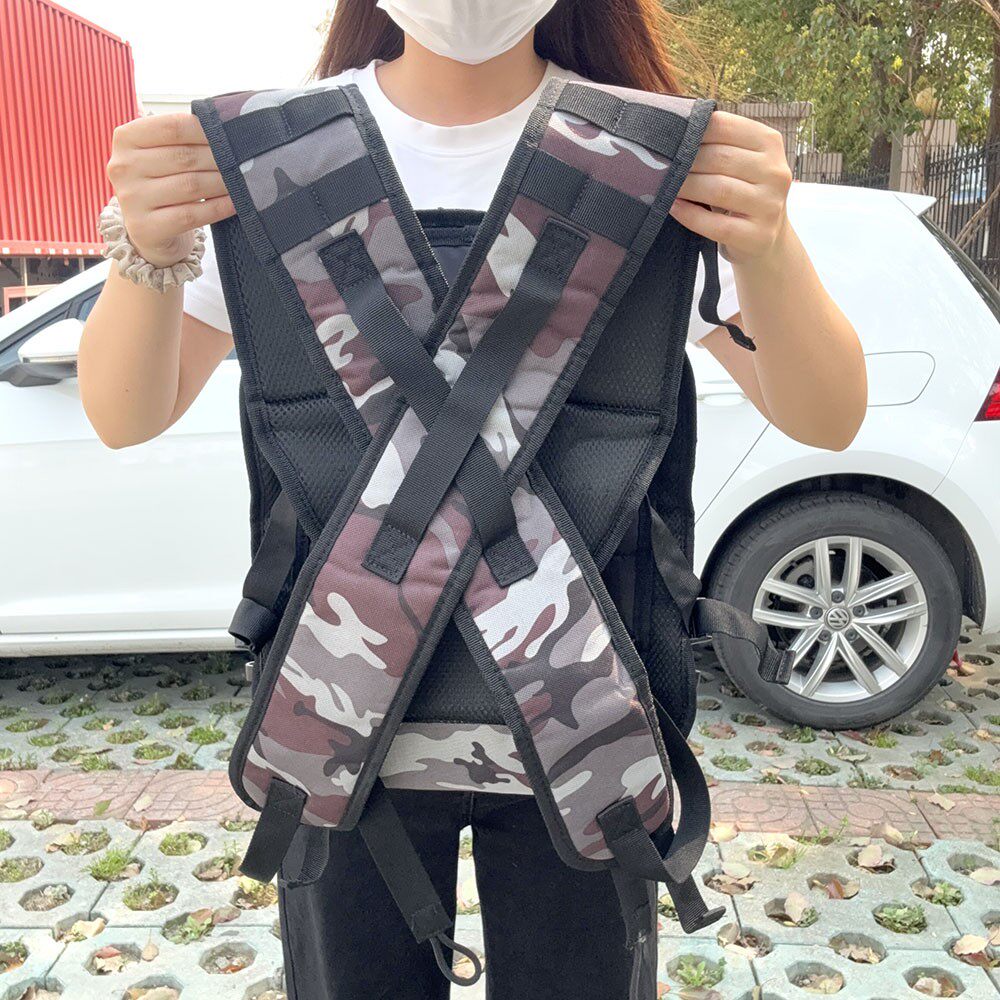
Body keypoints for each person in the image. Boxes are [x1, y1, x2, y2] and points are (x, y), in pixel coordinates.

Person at [80, 2, 866, 997]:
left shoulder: (654, 156)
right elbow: (125, 414)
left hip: (575, 722)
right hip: (354, 734)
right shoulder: (269, 156)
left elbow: (826, 416)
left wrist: (769, 245)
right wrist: (146, 248)